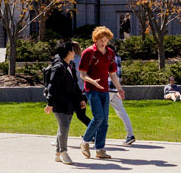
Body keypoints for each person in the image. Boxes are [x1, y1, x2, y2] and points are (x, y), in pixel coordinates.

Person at [78, 26, 123, 160]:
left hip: (105, 90)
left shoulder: (110, 53)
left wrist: (120, 89)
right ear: (95, 40)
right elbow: (82, 74)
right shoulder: (88, 53)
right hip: (92, 90)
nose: (103, 42)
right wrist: (93, 81)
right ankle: (85, 142)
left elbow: (113, 74)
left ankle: (100, 149)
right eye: (101, 40)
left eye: (106, 40)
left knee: (104, 122)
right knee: (98, 118)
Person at [45, 40, 86, 165]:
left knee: (63, 127)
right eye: (73, 51)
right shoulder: (58, 68)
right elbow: (52, 86)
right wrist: (50, 103)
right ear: (69, 52)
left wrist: (81, 98)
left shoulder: (70, 66)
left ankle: (58, 153)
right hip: (59, 103)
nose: (75, 53)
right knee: (64, 127)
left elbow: (74, 85)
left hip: (70, 102)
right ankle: (63, 152)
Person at [108, 49, 136, 145]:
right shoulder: (118, 57)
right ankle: (130, 135)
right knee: (122, 113)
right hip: (116, 89)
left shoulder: (108, 56)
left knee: (100, 115)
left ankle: (93, 136)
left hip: (107, 88)